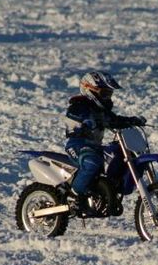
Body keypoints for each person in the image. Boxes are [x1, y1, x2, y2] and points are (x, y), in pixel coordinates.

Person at [59, 71, 146, 214]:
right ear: (90, 90)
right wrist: (84, 124)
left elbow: (114, 120)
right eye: (104, 93)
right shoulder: (78, 105)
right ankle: (73, 195)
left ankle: (106, 192)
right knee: (92, 161)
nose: (107, 98)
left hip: (94, 146)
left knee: (116, 154)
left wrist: (132, 121)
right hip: (77, 145)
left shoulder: (100, 111)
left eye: (109, 94)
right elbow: (72, 117)